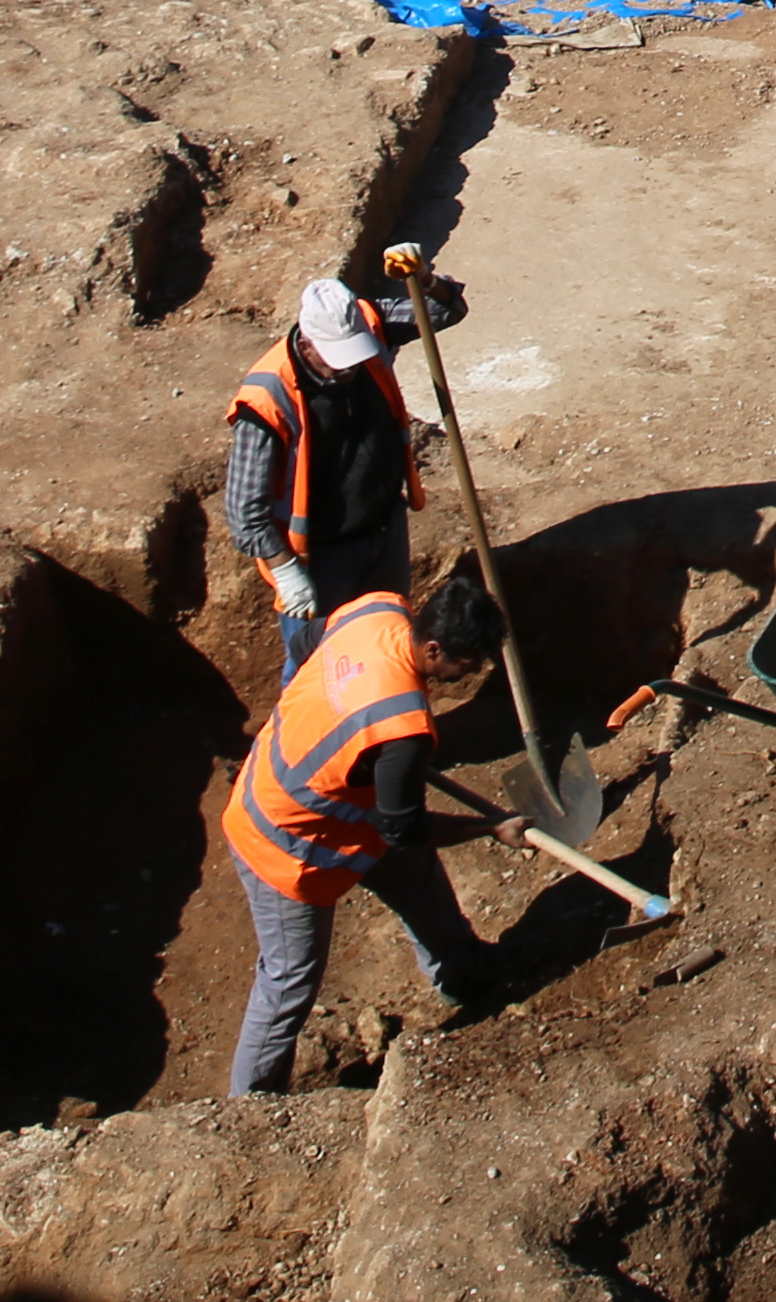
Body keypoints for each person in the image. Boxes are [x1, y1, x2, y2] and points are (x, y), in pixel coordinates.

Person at [219, 564, 507, 1094]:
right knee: (289, 982)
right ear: (436, 648)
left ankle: (460, 970)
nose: (473, 672)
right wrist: (489, 828)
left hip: (311, 796)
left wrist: (345, 720)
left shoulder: (377, 609)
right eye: (470, 661)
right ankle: (248, 1108)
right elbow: (404, 830)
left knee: (414, 875)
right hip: (285, 844)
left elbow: (306, 641)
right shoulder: (402, 732)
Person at [230, 272, 450, 674]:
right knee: (318, 666)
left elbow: (443, 309)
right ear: (308, 343)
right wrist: (285, 571)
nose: (351, 368)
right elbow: (245, 514)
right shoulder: (267, 398)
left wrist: (425, 278)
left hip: (384, 530)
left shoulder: (368, 324)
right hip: (321, 557)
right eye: (339, 359)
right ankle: (305, 738)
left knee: (388, 648)